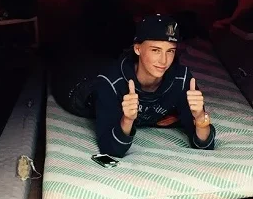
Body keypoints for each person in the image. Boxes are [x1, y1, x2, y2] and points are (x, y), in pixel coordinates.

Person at [93, 15, 216, 157]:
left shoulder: (181, 80)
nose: (164, 60)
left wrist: (200, 117)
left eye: (170, 51)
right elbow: (109, 150)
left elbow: (205, 146)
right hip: (79, 95)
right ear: (137, 48)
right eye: (155, 50)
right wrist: (127, 120)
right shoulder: (112, 81)